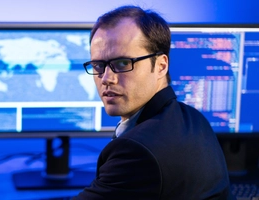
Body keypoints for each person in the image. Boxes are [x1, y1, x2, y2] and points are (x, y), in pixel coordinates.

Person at [73, 5, 232, 199]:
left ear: (161, 66)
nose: (106, 78)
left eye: (123, 63)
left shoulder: (137, 151)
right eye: (98, 65)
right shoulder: (193, 119)